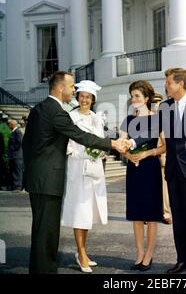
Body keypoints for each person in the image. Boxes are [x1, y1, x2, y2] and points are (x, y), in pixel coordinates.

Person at [22, 71, 127, 274]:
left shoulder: (39, 109)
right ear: (60, 88)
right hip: (48, 180)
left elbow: (28, 144)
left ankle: (39, 269)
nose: (73, 91)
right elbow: (79, 135)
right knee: (47, 232)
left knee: (41, 230)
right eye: (71, 87)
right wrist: (112, 143)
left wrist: (34, 169)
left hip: (38, 178)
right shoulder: (57, 111)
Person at [130, 68, 186, 274]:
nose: (166, 86)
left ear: (180, 84)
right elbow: (151, 130)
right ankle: (182, 260)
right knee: (179, 218)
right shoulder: (165, 106)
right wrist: (131, 141)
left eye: (168, 83)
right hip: (173, 171)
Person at [61, 80, 107, 273]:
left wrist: (100, 152)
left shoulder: (97, 118)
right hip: (78, 169)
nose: (84, 100)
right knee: (80, 212)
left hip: (94, 170)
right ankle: (80, 254)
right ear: (77, 98)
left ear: (92, 99)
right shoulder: (70, 117)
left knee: (87, 214)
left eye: (88, 97)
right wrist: (87, 153)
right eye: (81, 96)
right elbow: (68, 148)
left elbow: (102, 142)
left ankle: (83, 251)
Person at [120, 80, 166, 272]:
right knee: (137, 214)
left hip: (151, 168)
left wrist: (147, 154)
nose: (134, 99)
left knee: (152, 214)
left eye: (137, 96)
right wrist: (129, 155)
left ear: (146, 98)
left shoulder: (157, 119)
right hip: (134, 169)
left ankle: (149, 254)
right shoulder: (128, 120)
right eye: (132, 96)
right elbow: (120, 145)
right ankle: (139, 253)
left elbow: (165, 146)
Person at [152, 92, 172, 225]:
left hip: (161, 156)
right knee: (149, 187)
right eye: (154, 102)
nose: (156, 105)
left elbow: (168, 140)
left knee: (164, 189)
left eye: (158, 102)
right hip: (147, 157)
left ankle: (165, 213)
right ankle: (149, 213)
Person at [7, 119, 24, 192]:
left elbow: (19, 142)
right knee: (14, 171)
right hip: (14, 156)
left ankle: (18, 187)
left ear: (12, 125)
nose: (8, 125)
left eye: (9, 124)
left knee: (17, 171)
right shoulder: (14, 132)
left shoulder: (17, 132)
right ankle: (15, 186)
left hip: (17, 156)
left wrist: (13, 148)